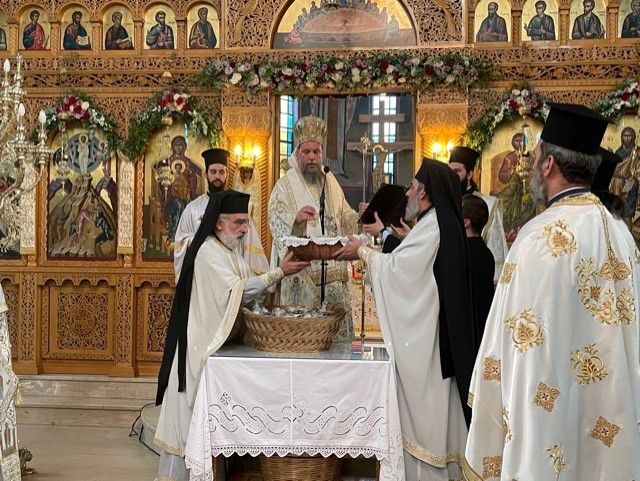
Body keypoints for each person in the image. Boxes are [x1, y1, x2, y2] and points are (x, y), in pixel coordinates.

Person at [465, 103, 640, 480]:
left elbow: (513, 342)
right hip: (609, 409)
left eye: (535, 156)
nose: (530, 165)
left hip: (547, 416)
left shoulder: (538, 238)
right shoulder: (620, 233)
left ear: (548, 165)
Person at [335, 158, 479, 481]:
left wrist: (362, 252)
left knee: (427, 427)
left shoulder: (434, 226)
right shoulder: (438, 222)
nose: (408, 193)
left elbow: (401, 272)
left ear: (425, 193)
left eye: (413, 187)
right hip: (438, 336)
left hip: (429, 345)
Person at [155, 190, 309, 481]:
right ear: (218, 223)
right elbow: (237, 290)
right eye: (238, 222)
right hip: (198, 351)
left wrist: (275, 274)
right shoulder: (207, 253)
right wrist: (278, 273)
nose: (244, 229)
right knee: (189, 431)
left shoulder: (230, 251)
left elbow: (251, 285)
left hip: (216, 348)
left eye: (246, 222)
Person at [268, 115, 359, 349]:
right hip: (302, 275)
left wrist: (360, 217)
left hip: (333, 275)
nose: (311, 157)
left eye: (316, 152)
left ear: (322, 154)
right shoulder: (284, 185)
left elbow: (344, 215)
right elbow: (275, 221)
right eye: (306, 151)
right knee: (303, 345)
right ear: (297, 153)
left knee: (337, 346)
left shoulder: (330, 181)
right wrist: (295, 219)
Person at [174, 148, 269, 281]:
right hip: (203, 277)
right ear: (205, 174)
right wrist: (201, 238)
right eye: (213, 172)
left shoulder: (238, 207)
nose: (217, 176)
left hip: (231, 276)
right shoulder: (192, 209)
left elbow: (248, 243)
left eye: (221, 172)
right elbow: (180, 244)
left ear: (227, 174)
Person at [449, 146, 508, 283]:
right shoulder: (444, 204)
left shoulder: (489, 204)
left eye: (457, 171)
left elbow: (495, 250)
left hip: (476, 279)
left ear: (470, 174)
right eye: (449, 172)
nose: (451, 177)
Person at [462, 194, 495, 335]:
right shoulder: (487, 253)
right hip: (483, 328)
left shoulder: (461, 254)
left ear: (466, 222)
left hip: (466, 328)